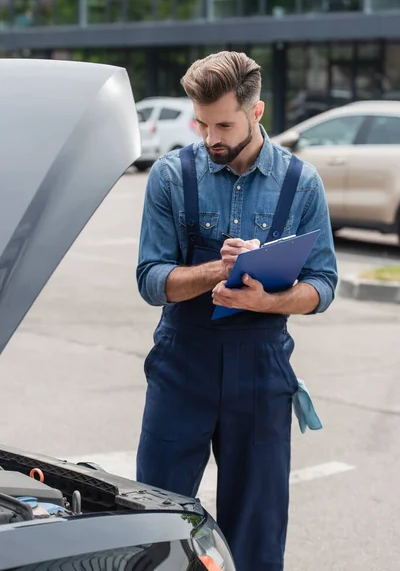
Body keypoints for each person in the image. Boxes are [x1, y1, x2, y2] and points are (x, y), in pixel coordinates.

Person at [136, 51, 338, 571]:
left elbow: (323, 284)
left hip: (262, 367)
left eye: (223, 123)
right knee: (156, 519)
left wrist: (268, 301)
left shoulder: (302, 183)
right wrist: (214, 271)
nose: (210, 138)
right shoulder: (168, 177)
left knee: (257, 530)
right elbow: (151, 280)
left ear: (257, 111)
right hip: (183, 364)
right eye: (200, 123)